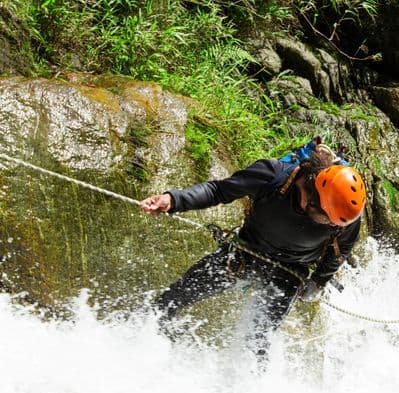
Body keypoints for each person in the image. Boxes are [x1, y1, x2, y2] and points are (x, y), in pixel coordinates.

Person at [138, 143, 366, 356]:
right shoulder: (273, 176)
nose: (334, 226)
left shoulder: (344, 216)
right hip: (245, 253)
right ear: (311, 200)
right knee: (173, 298)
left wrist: (318, 282)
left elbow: (340, 250)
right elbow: (218, 191)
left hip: (290, 274)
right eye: (328, 221)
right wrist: (174, 200)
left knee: (257, 343)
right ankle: (142, 345)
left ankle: (249, 390)